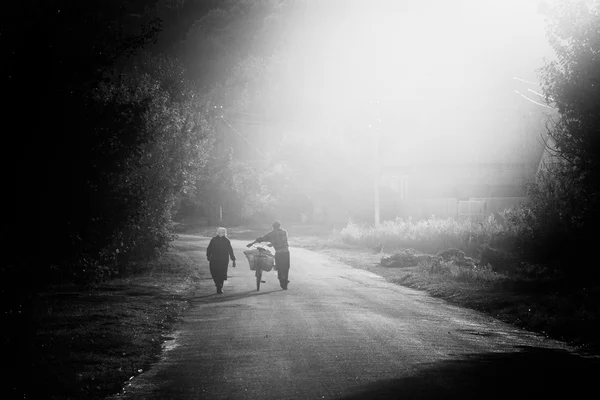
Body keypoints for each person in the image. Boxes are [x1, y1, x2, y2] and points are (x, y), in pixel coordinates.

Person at [247, 221, 290, 290]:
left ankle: (283, 281)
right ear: (279, 226)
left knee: (279, 268)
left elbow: (261, 239)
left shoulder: (271, 234)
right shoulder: (284, 232)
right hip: (286, 252)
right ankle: (285, 282)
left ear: (273, 227)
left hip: (279, 253)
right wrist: (272, 244)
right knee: (286, 268)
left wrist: (251, 243)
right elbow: (282, 241)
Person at [206, 227, 236, 294]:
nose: (221, 234)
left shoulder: (227, 241)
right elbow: (209, 248)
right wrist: (208, 255)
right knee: (214, 272)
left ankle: (219, 286)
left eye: (222, 232)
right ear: (218, 232)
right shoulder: (213, 240)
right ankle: (218, 284)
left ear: (225, 233)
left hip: (222, 260)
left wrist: (233, 259)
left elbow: (230, 250)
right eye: (220, 232)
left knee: (221, 273)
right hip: (215, 259)